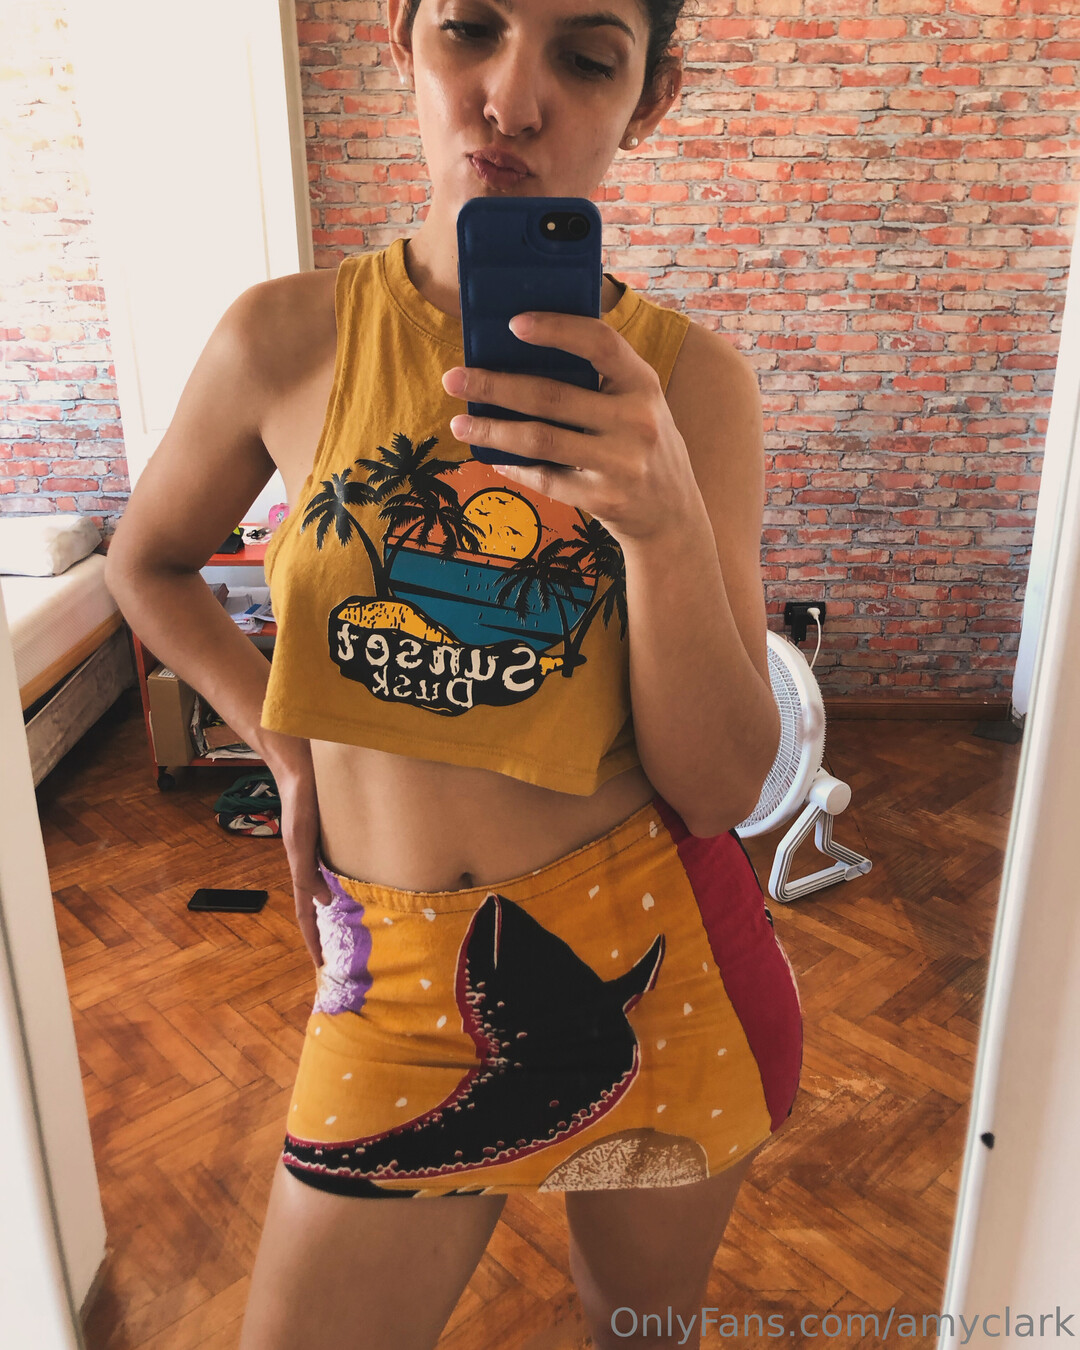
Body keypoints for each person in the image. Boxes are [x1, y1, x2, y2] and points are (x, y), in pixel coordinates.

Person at [104, 0, 803, 1346]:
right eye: (471, 29)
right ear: (402, 40)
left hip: (658, 962)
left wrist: (660, 520)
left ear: (650, 100)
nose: (512, 97)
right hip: (392, 976)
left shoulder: (692, 385)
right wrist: (283, 747)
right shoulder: (282, 339)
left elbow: (722, 788)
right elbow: (148, 563)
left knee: (635, 1331)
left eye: (586, 58)